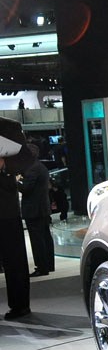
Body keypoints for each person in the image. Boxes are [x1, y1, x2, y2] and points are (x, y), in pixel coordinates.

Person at [0, 116, 35, 320]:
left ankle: (20, 306)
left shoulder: (8, 126)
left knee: (14, 259)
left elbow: (26, 159)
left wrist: (4, 163)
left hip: (4, 207)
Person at [19, 142, 56, 278]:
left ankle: (42, 267)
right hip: (42, 208)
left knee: (37, 240)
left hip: (34, 210)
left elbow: (25, 189)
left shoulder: (32, 169)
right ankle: (48, 265)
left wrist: (15, 181)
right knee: (45, 238)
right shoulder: (40, 166)